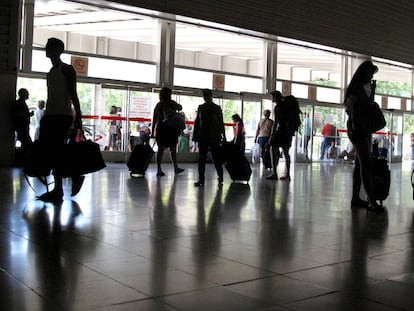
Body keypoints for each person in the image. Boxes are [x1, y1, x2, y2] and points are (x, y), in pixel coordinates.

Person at [36, 37, 84, 202]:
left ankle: (61, 187)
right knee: (53, 152)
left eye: (49, 47)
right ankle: (62, 185)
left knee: (56, 151)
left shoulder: (67, 69)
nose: (46, 50)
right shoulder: (51, 72)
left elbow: (73, 94)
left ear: (58, 50)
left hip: (63, 116)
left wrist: (78, 117)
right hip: (51, 115)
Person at [344, 60, 383, 212]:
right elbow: (366, 107)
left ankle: (356, 198)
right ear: (364, 73)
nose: (371, 76)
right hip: (359, 129)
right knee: (365, 164)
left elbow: (366, 106)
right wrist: (372, 93)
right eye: (370, 73)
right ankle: (372, 201)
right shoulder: (356, 88)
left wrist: (372, 91)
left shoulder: (357, 88)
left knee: (360, 165)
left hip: (361, 129)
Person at [192, 89, 226, 187]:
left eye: (207, 95)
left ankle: (219, 177)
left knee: (214, 158)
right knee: (203, 158)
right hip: (206, 136)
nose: (205, 97)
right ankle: (202, 179)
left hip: (212, 136)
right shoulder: (202, 108)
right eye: (204, 95)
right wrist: (195, 135)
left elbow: (220, 122)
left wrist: (223, 136)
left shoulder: (215, 108)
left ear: (210, 96)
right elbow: (197, 122)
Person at [151, 87, 185, 177]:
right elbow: (180, 107)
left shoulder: (159, 105)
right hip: (171, 130)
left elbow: (154, 119)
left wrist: (152, 132)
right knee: (172, 149)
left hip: (161, 129)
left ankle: (159, 169)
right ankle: (175, 168)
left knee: (160, 150)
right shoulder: (171, 103)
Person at [266, 90, 292, 181]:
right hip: (287, 133)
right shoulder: (287, 106)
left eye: (272, 97)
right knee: (286, 153)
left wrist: (271, 136)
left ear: (275, 97)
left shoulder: (278, 107)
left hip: (280, 131)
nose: (271, 99)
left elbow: (276, 122)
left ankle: (274, 173)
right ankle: (288, 174)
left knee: (272, 150)